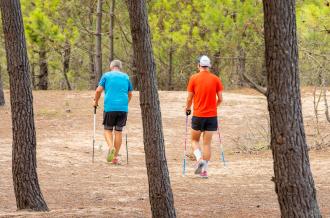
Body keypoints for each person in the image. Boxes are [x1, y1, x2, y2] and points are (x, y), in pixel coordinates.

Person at [185, 55, 224, 178]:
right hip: (212, 116)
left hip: (198, 115)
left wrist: (187, 108)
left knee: (194, 140)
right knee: (207, 144)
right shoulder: (216, 79)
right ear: (209, 66)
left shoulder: (193, 78)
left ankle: (199, 159)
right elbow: (221, 99)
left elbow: (189, 98)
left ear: (199, 66)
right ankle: (204, 171)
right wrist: (214, 107)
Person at [93, 60, 133, 164]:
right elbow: (130, 94)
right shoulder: (126, 77)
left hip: (110, 107)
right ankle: (115, 158)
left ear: (111, 67)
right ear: (120, 67)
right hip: (123, 108)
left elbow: (98, 90)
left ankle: (111, 147)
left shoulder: (106, 76)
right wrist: (125, 104)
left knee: (107, 130)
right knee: (118, 132)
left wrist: (95, 102)